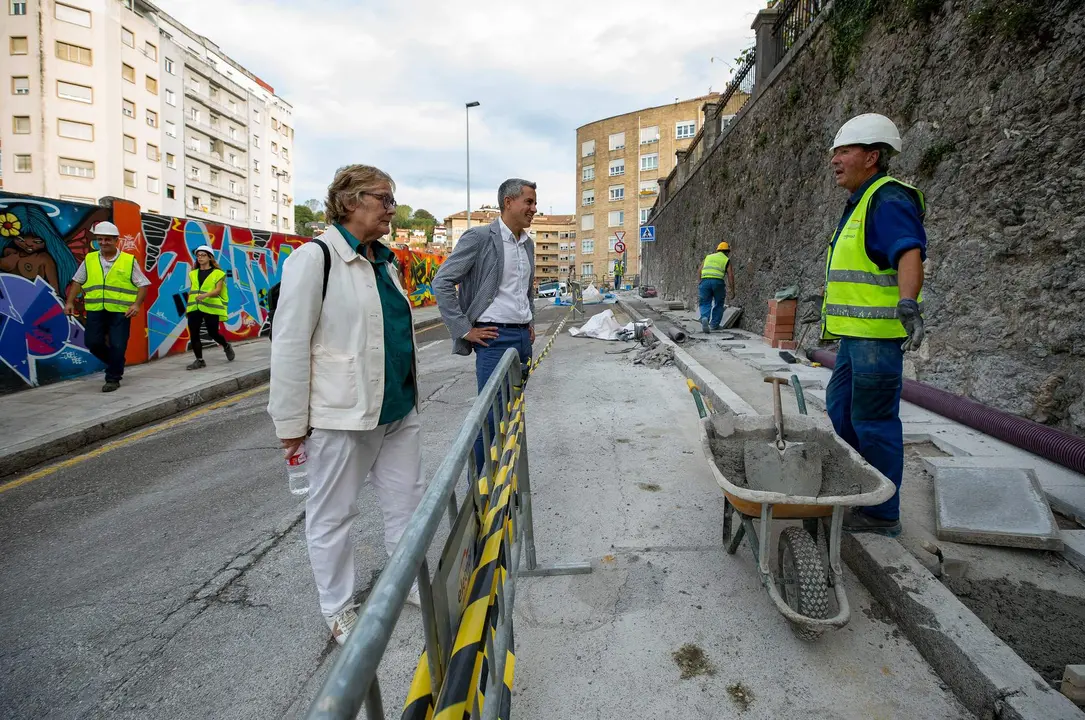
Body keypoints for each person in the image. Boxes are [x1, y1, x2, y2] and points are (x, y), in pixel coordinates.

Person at [267, 164, 424, 646]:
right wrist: (291, 423)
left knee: (407, 502)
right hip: (342, 413)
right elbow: (290, 344)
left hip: (397, 407)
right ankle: (336, 605)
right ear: (351, 201)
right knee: (333, 513)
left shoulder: (386, 261)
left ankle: (410, 581)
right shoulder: (316, 259)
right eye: (383, 198)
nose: (392, 209)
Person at [821, 113, 927, 537]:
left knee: (874, 422)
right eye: (835, 152)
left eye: (844, 151)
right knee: (841, 408)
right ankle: (860, 485)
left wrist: (907, 302)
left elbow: (908, 252)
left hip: (877, 339)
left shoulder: (888, 199)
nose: (835, 160)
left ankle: (882, 513)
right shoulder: (861, 202)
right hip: (855, 339)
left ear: (872, 156)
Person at [432, 179, 537, 468]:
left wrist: (528, 320)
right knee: (489, 417)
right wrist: (465, 328)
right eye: (529, 202)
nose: (534, 209)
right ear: (509, 202)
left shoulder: (528, 244)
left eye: (534, 203)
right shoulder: (479, 238)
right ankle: (481, 494)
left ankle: (505, 483)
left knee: (512, 414)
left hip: (522, 339)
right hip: (494, 339)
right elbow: (441, 283)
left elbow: (524, 289)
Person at [64, 221, 150, 392]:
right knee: (92, 343)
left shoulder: (128, 260)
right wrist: (69, 302)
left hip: (120, 312)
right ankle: (116, 362)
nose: (103, 243)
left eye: (107, 239)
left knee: (118, 345)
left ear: (116, 240)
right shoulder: (90, 259)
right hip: (96, 310)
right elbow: (77, 281)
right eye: (100, 239)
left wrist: (137, 305)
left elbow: (143, 284)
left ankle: (113, 378)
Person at [185, 244, 235, 369]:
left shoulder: (218, 273)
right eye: (198, 255)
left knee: (213, 333)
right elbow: (193, 289)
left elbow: (218, 290)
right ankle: (200, 360)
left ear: (210, 257)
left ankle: (226, 345)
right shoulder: (193, 273)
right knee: (194, 334)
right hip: (194, 307)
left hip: (211, 306)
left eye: (203, 255)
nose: (200, 258)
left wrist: (205, 295)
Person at [698, 241, 735, 333]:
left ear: (717, 250)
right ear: (727, 252)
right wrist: (732, 290)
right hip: (718, 282)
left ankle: (705, 318)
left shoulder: (708, 257)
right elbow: (730, 275)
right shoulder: (726, 260)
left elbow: (699, 270)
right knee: (719, 303)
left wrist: (700, 283)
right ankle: (714, 325)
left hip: (705, 281)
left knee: (705, 302)